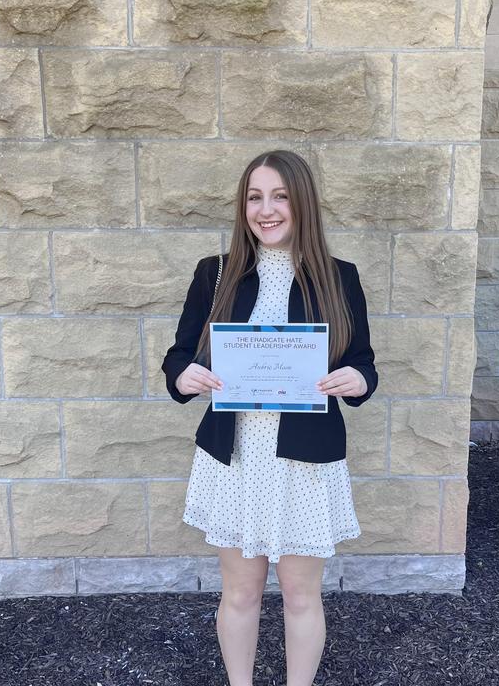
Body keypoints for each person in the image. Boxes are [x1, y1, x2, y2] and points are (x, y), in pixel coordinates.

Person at [161, 149, 378, 686]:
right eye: (255, 197)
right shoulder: (215, 275)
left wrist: (358, 381)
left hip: (304, 461)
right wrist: (184, 375)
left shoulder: (339, 277)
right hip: (234, 458)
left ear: (301, 203)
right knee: (240, 592)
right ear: (243, 207)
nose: (267, 209)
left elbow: (363, 362)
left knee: (302, 595)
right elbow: (179, 354)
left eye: (280, 196)